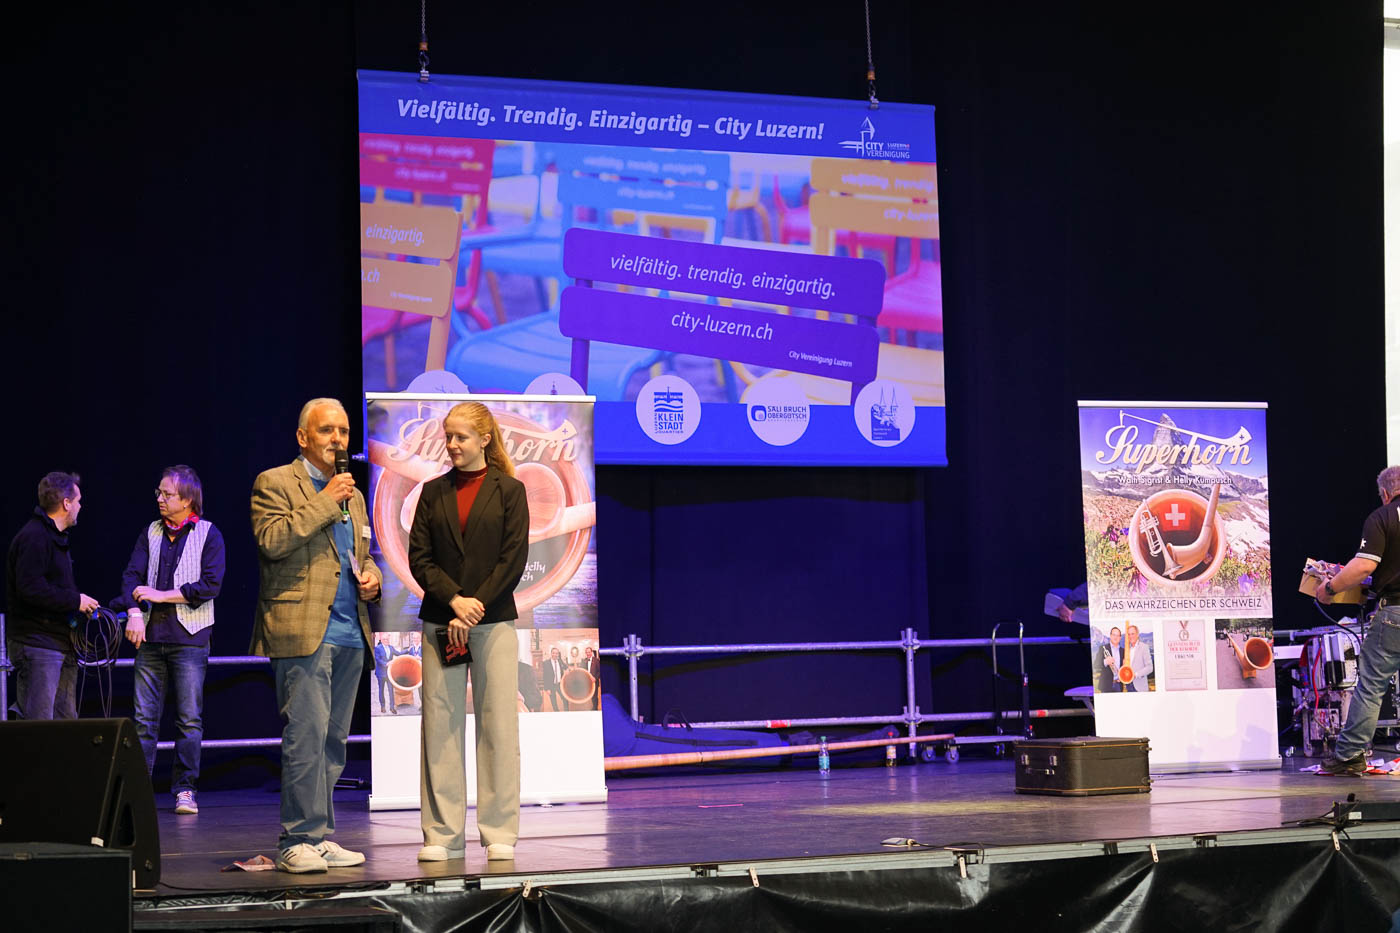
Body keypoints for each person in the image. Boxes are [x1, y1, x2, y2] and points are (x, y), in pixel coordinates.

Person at [250, 398, 382, 873]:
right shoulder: (275, 482)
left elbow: (363, 554)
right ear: (303, 437)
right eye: (327, 430)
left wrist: (372, 579)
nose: (338, 440)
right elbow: (272, 541)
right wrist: (325, 501)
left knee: (333, 741)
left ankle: (319, 836)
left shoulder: (354, 495)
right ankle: (296, 839)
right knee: (305, 737)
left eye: (344, 431)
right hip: (303, 629)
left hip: (350, 631)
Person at [408, 401, 528, 863]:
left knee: (498, 726)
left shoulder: (510, 490)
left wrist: (473, 607)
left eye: (461, 437)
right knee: (440, 727)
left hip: (491, 622)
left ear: (484, 439)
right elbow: (420, 558)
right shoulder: (432, 492)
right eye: (448, 436)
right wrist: (455, 601)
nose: (452, 445)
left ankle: (499, 830)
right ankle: (442, 834)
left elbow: (513, 559)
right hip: (443, 622)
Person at [113, 465, 225, 815]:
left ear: (187, 499)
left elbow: (210, 586)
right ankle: (138, 790)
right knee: (144, 721)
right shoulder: (151, 531)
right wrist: (134, 612)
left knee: (189, 719)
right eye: (159, 493)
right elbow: (131, 576)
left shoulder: (208, 534)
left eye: (167, 494)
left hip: (190, 639)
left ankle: (185, 789)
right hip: (151, 638)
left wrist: (161, 595)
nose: (160, 499)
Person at [1317, 466, 1400, 776]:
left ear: (1386, 493)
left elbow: (1364, 565)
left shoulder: (1383, 517)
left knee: (1371, 686)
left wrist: (1329, 588)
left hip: (1395, 613)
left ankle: (1350, 755)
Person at [5, 472, 99, 719]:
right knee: (40, 725)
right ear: (66, 503)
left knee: (64, 723)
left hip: (58, 643)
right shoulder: (35, 537)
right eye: (78, 501)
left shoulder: (53, 537)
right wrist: (76, 600)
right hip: (38, 643)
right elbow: (30, 588)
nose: (80, 507)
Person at [372, 634, 400, 714]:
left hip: (389, 673)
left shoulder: (391, 647)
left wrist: (408, 650)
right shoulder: (378, 648)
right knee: (381, 690)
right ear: (381, 640)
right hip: (381, 673)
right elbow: (377, 659)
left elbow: (398, 653)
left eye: (387, 639)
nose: (386, 641)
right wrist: (386, 663)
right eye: (384, 639)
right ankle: (383, 707)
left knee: (391, 690)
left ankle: (392, 707)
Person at [1124, 624, 1153, 692]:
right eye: (1129, 634)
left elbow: (1150, 668)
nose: (1130, 636)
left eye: (1132, 634)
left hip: (1140, 687)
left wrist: (1135, 675)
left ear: (1137, 634)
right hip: (1128, 685)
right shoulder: (1127, 649)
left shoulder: (1144, 647)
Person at [1097, 626, 1124, 692]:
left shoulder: (1123, 651)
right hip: (1106, 685)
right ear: (1110, 636)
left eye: (1118, 635)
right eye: (1114, 635)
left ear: (1120, 638)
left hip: (1118, 684)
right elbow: (1096, 664)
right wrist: (1105, 661)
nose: (1115, 637)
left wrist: (1122, 677)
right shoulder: (1103, 648)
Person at [543, 646, 566, 711]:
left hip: (559, 684)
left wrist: (568, 670)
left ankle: (567, 711)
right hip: (551, 685)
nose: (555, 655)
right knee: (554, 701)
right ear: (551, 653)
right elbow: (544, 677)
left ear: (558, 654)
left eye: (556, 653)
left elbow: (566, 667)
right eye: (553, 653)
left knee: (565, 698)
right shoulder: (546, 663)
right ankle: (556, 713)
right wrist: (547, 688)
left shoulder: (560, 661)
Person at [582, 645, 601, 710]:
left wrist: (595, 678)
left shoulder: (596, 660)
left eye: (589, 652)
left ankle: (595, 708)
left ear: (591, 652)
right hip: (588, 682)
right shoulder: (584, 661)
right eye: (586, 652)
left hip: (594, 681)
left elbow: (600, 671)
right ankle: (594, 706)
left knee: (595, 695)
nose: (588, 653)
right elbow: (583, 671)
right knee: (591, 695)